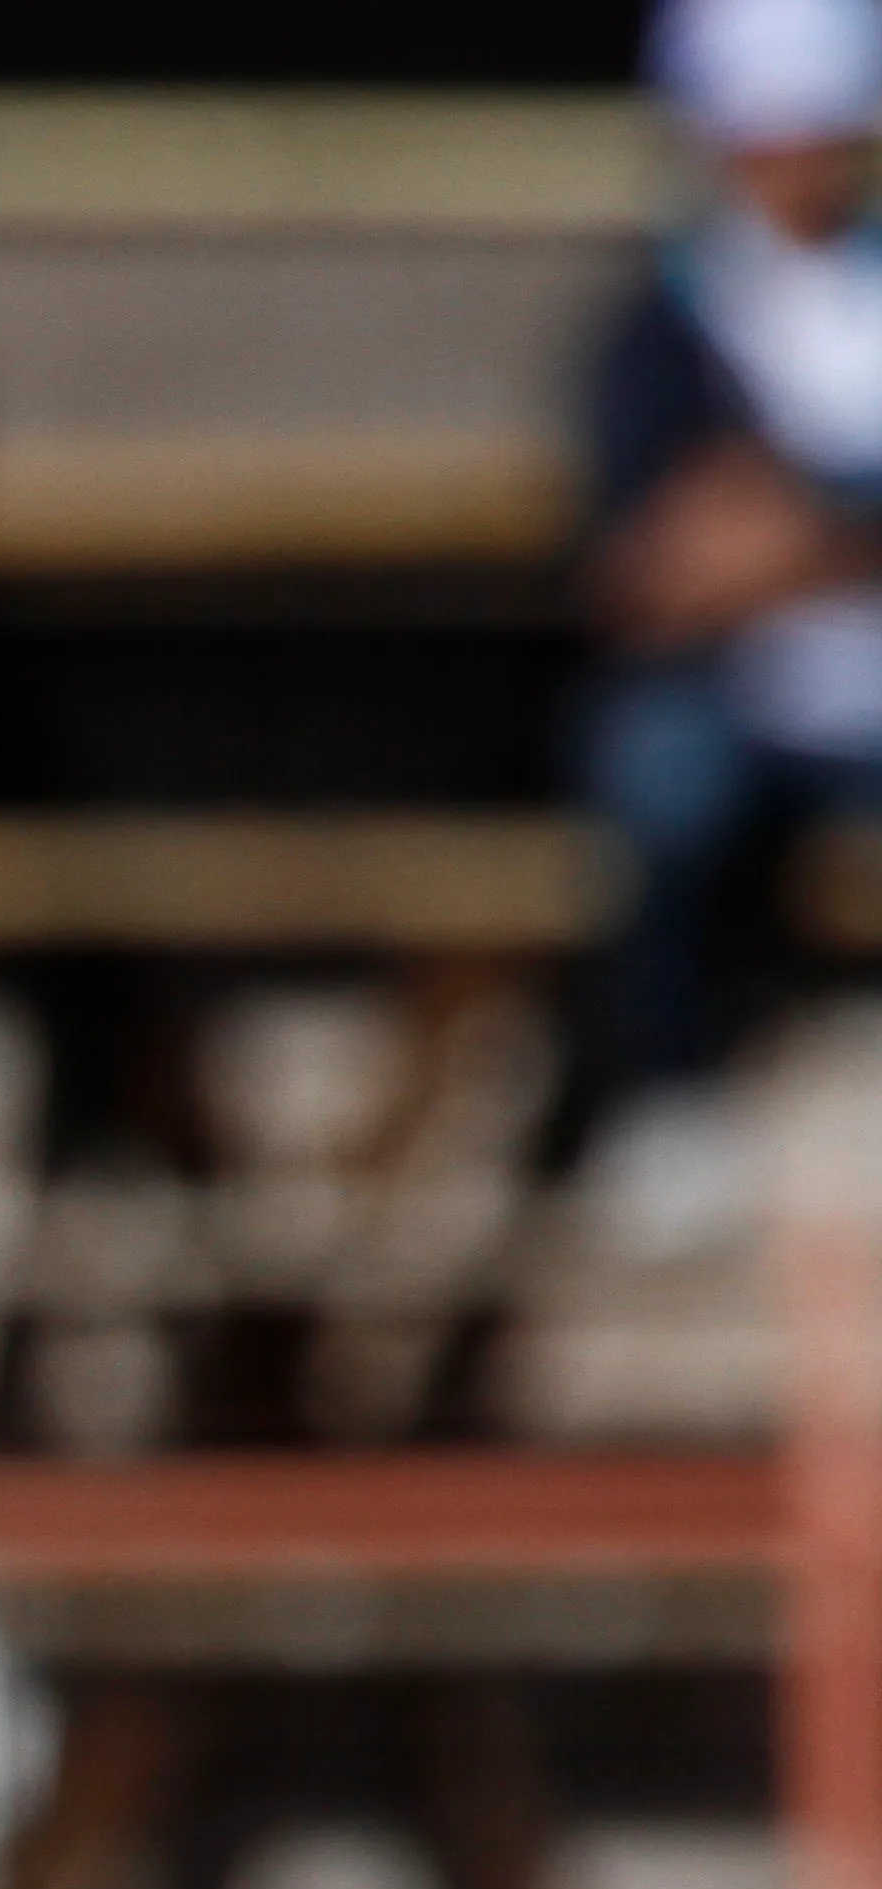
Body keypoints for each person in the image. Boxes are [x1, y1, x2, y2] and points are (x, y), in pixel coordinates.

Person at [579, 0, 882, 1246]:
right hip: (755, 705)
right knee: (660, 760)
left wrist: (797, 533)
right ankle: (670, 1095)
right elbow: (637, 574)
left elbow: (737, 539)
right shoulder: (663, 322)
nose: (795, 160)